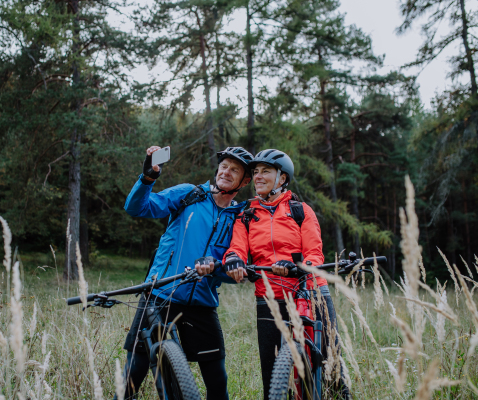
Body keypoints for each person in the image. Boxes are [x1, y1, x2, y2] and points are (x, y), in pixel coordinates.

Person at [118, 145, 254, 400]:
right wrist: (147, 178)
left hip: (201, 303)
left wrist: (215, 269)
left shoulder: (239, 218)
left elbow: (234, 271)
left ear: (245, 181)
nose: (226, 171)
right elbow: (137, 208)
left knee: (217, 381)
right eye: (224, 166)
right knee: (132, 374)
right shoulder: (189, 194)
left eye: (235, 170)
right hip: (159, 293)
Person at [221, 149, 350, 400]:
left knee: (331, 361)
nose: (258, 176)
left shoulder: (300, 210)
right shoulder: (246, 213)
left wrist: (298, 266)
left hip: (311, 292)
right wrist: (234, 259)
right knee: (272, 372)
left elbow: (314, 252)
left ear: (282, 178)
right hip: (269, 296)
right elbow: (237, 247)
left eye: (265, 171)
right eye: (255, 172)